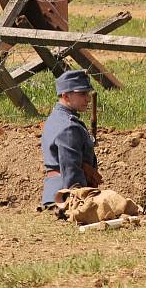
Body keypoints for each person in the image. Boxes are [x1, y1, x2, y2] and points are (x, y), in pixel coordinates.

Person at [40, 70, 101, 207]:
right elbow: (71, 169)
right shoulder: (69, 127)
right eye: (82, 94)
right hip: (65, 198)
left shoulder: (55, 118)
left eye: (87, 93)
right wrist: (80, 201)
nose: (88, 98)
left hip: (53, 193)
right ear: (66, 96)